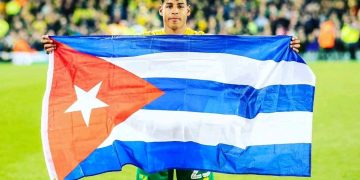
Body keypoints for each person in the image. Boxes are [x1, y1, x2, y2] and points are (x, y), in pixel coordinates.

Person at [41, 0, 301, 179]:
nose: (174, 10)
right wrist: (63, 48)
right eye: (169, 6)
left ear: (188, 11)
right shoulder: (145, 44)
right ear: (161, 11)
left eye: (179, 6)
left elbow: (239, 65)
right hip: (154, 135)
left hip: (197, 136)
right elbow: (109, 60)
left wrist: (281, 50)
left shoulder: (204, 43)